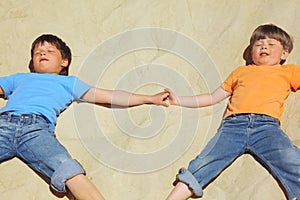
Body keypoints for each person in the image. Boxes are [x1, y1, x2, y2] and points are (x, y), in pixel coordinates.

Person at [0, 34, 169, 200]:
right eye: (37, 52)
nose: (42, 53)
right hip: (4, 123)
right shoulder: (20, 78)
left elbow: (109, 96)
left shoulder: (69, 83)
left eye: (50, 50)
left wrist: (149, 98)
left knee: (67, 169)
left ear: (63, 62)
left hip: (36, 130)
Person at [165, 24, 300, 200]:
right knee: (204, 162)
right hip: (232, 127)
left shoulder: (289, 72)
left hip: (267, 128)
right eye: (258, 44)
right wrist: (179, 100)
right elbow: (213, 97)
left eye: (271, 44)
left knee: (292, 161)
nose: (264, 47)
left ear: (284, 54)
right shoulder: (241, 72)